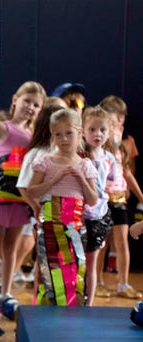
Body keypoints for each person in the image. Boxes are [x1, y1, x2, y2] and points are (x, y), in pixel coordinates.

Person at [27, 108, 98, 306]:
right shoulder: (45, 161)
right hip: (49, 224)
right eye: (58, 134)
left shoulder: (85, 164)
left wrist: (82, 180)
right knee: (49, 270)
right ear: (52, 135)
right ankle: (43, 314)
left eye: (69, 133)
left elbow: (93, 200)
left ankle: (71, 313)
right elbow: (32, 191)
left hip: (74, 227)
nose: (64, 139)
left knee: (74, 269)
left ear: (79, 133)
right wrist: (53, 180)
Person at [0, 81, 46, 317]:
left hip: (19, 201)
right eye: (27, 101)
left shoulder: (32, 137)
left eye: (36, 105)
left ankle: (4, 293)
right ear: (15, 99)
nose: (30, 107)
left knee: (12, 250)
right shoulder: (1, 128)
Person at [15, 99, 67, 305]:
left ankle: (59, 300)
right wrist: (36, 207)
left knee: (62, 260)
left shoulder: (65, 154)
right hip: (46, 214)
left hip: (68, 216)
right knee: (44, 260)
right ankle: (40, 301)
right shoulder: (37, 154)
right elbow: (23, 186)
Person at [95, 95, 143, 299]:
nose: (120, 123)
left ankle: (123, 284)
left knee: (122, 241)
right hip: (101, 202)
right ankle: (97, 281)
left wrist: (141, 195)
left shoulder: (122, 146)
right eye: (116, 119)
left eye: (122, 119)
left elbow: (126, 172)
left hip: (120, 200)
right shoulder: (99, 146)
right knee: (101, 243)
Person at [81, 107, 115, 305]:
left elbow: (111, 180)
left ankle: (90, 303)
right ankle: (74, 299)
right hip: (77, 214)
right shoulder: (79, 155)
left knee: (92, 262)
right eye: (92, 129)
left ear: (108, 133)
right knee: (77, 262)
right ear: (83, 131)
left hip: (98, 215)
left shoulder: (109, 158)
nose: (97, 134)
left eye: (102, 130)